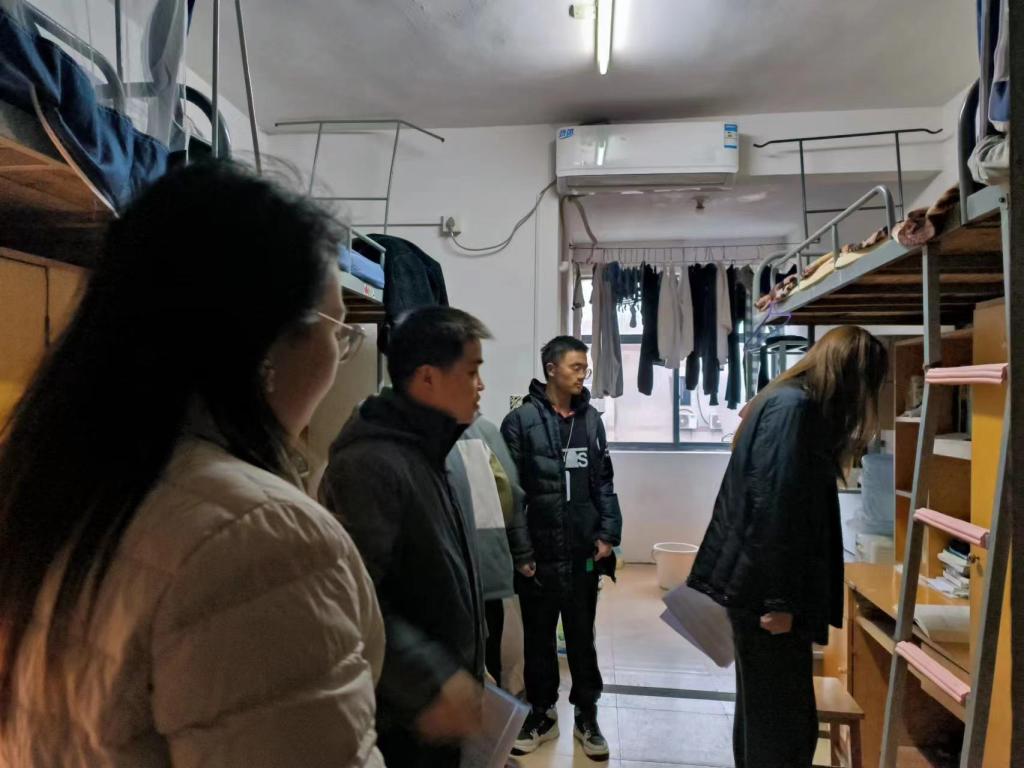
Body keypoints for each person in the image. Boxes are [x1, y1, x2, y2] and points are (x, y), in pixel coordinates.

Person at [0, 161, 386, 767]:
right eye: (338, 332)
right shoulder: (263, 538)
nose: (338, 357)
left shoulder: (46, 484)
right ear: (266, 344)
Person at [687, 326, 888, 768]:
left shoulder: (784, 400)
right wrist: (779, 601)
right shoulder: (795, 409)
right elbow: (775, 506)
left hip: (758, 587)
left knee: (766, 715)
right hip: (766, 595)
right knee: (780, 726)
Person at [320, 306, 491, 768]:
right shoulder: (368, 466)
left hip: (442, 707)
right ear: (428, 378)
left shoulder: (437, 454)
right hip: (406, 719)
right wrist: (432, 680)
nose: (481, 386)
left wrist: (472, 666)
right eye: (471, 372)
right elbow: (355, 603)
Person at [501, 336, 623, 761]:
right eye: (576, 366)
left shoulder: (591, 421)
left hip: (582, 554)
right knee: (538, 641)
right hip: (538, 557)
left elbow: (603, 480)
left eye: (585, 367)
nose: (583, 374)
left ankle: (587, 715)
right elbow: (511, 494)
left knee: (581, 639)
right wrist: (522, 553)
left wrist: (608, 533)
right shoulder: (519, 422)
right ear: (551, 369)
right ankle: (542, 714)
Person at [446, 415, 531, 689]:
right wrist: (518, 551)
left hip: (444, 567)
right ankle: (489, 707)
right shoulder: (483, 431)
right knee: (488, 648)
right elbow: (510, 493)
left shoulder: (414, 430)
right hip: (486, 563)